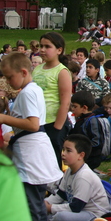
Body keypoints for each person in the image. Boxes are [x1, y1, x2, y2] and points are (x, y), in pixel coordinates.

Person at [0, 52, 63, 221]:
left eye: (9, 76)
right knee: (33, 202)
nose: (7, 81)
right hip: (29, 148)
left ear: (23, 72)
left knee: (34, 205)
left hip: (32, 152)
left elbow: (32, 124)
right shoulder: (31, 89)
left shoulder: (29, 92)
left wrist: (4, 118)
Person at [45, 134, 109, 221]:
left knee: (61, 217)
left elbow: (75, 207)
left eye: (68, 151)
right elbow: (61, 195)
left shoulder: (84, 176)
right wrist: (46, 203)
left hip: (94, 215)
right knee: (46, 208)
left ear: (81, 155)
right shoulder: (69, 170)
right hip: (79, 210)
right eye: (63, 149)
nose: (63, 153)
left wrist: (50, 208)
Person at [33, 32, 72, 169]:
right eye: (41, 46)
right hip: (38, 121)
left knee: (53, 159)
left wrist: (57, 128)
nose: (42, 50)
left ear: (59, 50)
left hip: (53, 122)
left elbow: (65, 102)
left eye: (47, 46)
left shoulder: (61, 72)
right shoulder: (37, 69)